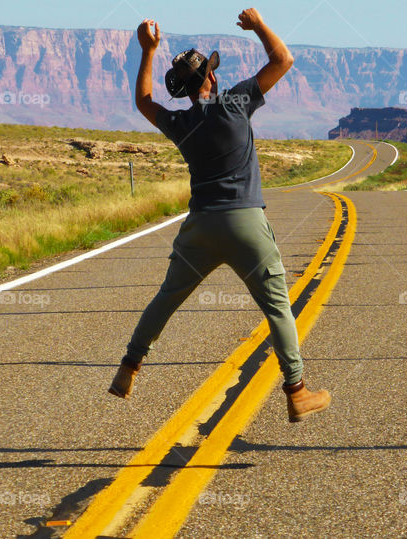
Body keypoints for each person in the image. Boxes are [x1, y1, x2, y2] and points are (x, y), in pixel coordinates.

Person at [108, 8, 330, 423]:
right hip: (246, 222)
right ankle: (297, 390)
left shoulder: (180, 121)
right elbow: (283, 60)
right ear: (209, 79)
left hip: (201, 226)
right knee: (277, 307)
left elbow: (142, 101)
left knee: (168, 297)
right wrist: (260, 25)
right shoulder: (235, 104)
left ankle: (128, 368)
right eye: (212, 71)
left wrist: (147, 52)